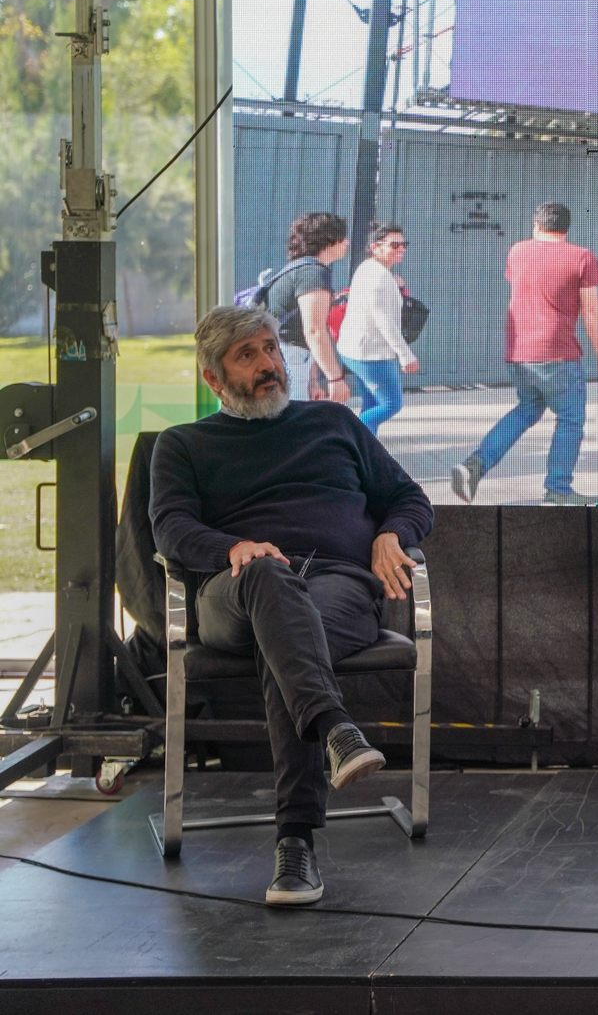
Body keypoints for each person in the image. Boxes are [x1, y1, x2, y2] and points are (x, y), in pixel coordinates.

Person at [151, 305, 432, 908]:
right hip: (236, 589)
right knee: (268, 579)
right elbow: (170, 528)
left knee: (287, 644)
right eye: (246, 356)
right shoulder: (183, 445)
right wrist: (234, 548)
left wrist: (391, 534)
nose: (268, 364)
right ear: (213, 378)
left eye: (271, 348)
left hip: (336, 585)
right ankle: (335, 729)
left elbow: (409, 497)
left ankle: (295, 843)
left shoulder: (334, 422)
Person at [451, 201, 598, 506]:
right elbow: (591, 311)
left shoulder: (517, 251)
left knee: (527, 409)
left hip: (518, 352)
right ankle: (558, 489)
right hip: (557, 353)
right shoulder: (581, 257)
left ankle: (475, 464)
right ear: (567, 228)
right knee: (570, 418)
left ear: (537, 225)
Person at [337, 223, 419, 433]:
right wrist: (406, 355)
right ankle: (348, 435)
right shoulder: (379, 276)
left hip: (356, 351)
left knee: (372, 404)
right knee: (391, 404)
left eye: (404, 244)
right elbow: (384, 321)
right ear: (375, 247)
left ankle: (364, 448)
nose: (401, 249)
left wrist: (397, 287)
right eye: (394, 245)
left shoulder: (369, 268)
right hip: (372, 354)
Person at [265, 212, 350, 406]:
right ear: (329, 240)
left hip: (287, 356)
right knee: (291, 421)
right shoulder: (313, 273)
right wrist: (335, 378)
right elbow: (314, 330)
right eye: (343, 237)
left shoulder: (300, 269)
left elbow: (305, 329)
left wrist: (313, 380)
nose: (347, 243)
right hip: (290, 359)